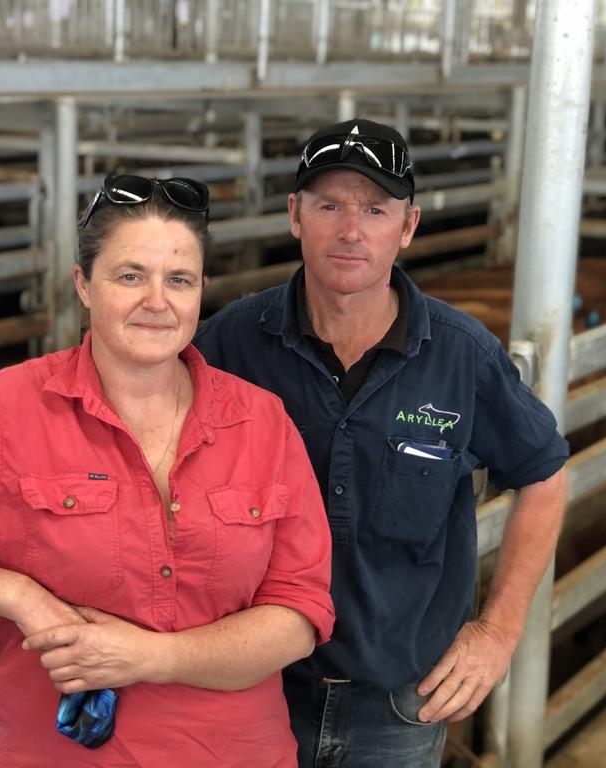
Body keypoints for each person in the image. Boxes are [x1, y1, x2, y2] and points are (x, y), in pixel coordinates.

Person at [0, 174, 335, 767]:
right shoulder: (6, 408)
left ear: (201, 292)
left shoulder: (261, 421)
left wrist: (150, 657)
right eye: (129, 276)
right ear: (83, 286)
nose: (157, 301)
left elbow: (299, 612)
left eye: (179, 280)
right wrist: (16, 594)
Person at [194, 119, 569, 767]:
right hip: (252, 689)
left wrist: (499, 632)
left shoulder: (461, 356)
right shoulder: (230, 344)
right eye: (329, 205)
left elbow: (543, 474)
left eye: (375, 209)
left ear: (409, 225)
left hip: (398, 703)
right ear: (294, 216)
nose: (350, 230)